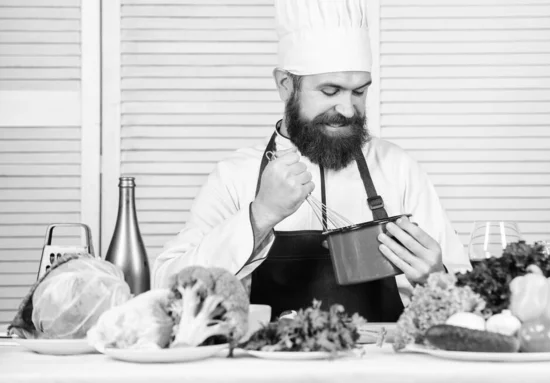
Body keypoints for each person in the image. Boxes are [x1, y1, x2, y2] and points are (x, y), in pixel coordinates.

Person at [153, 0, 471, 321]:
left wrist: (434, 276)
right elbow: (166, 287)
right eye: (331, 91)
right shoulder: (235, 176)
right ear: (285, 85)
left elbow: (468, 300)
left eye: (358, 92)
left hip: (380, 368)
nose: (348, 109)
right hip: (265, 368)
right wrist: (259, 215)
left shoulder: (397, 168)